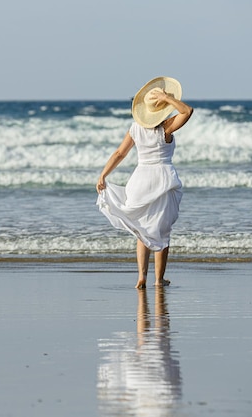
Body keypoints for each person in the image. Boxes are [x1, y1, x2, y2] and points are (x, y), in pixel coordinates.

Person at [96, 76, 193, 289]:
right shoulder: (166, 127)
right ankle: (159, 279)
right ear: (163, 110)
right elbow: (187, 111)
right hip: (163, 180)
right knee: (162, 231)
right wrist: (167, 97)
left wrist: (103, 174)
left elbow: (119, 153)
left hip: (140, 181)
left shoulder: (135, 129)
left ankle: (142, 277)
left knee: (142, 229)